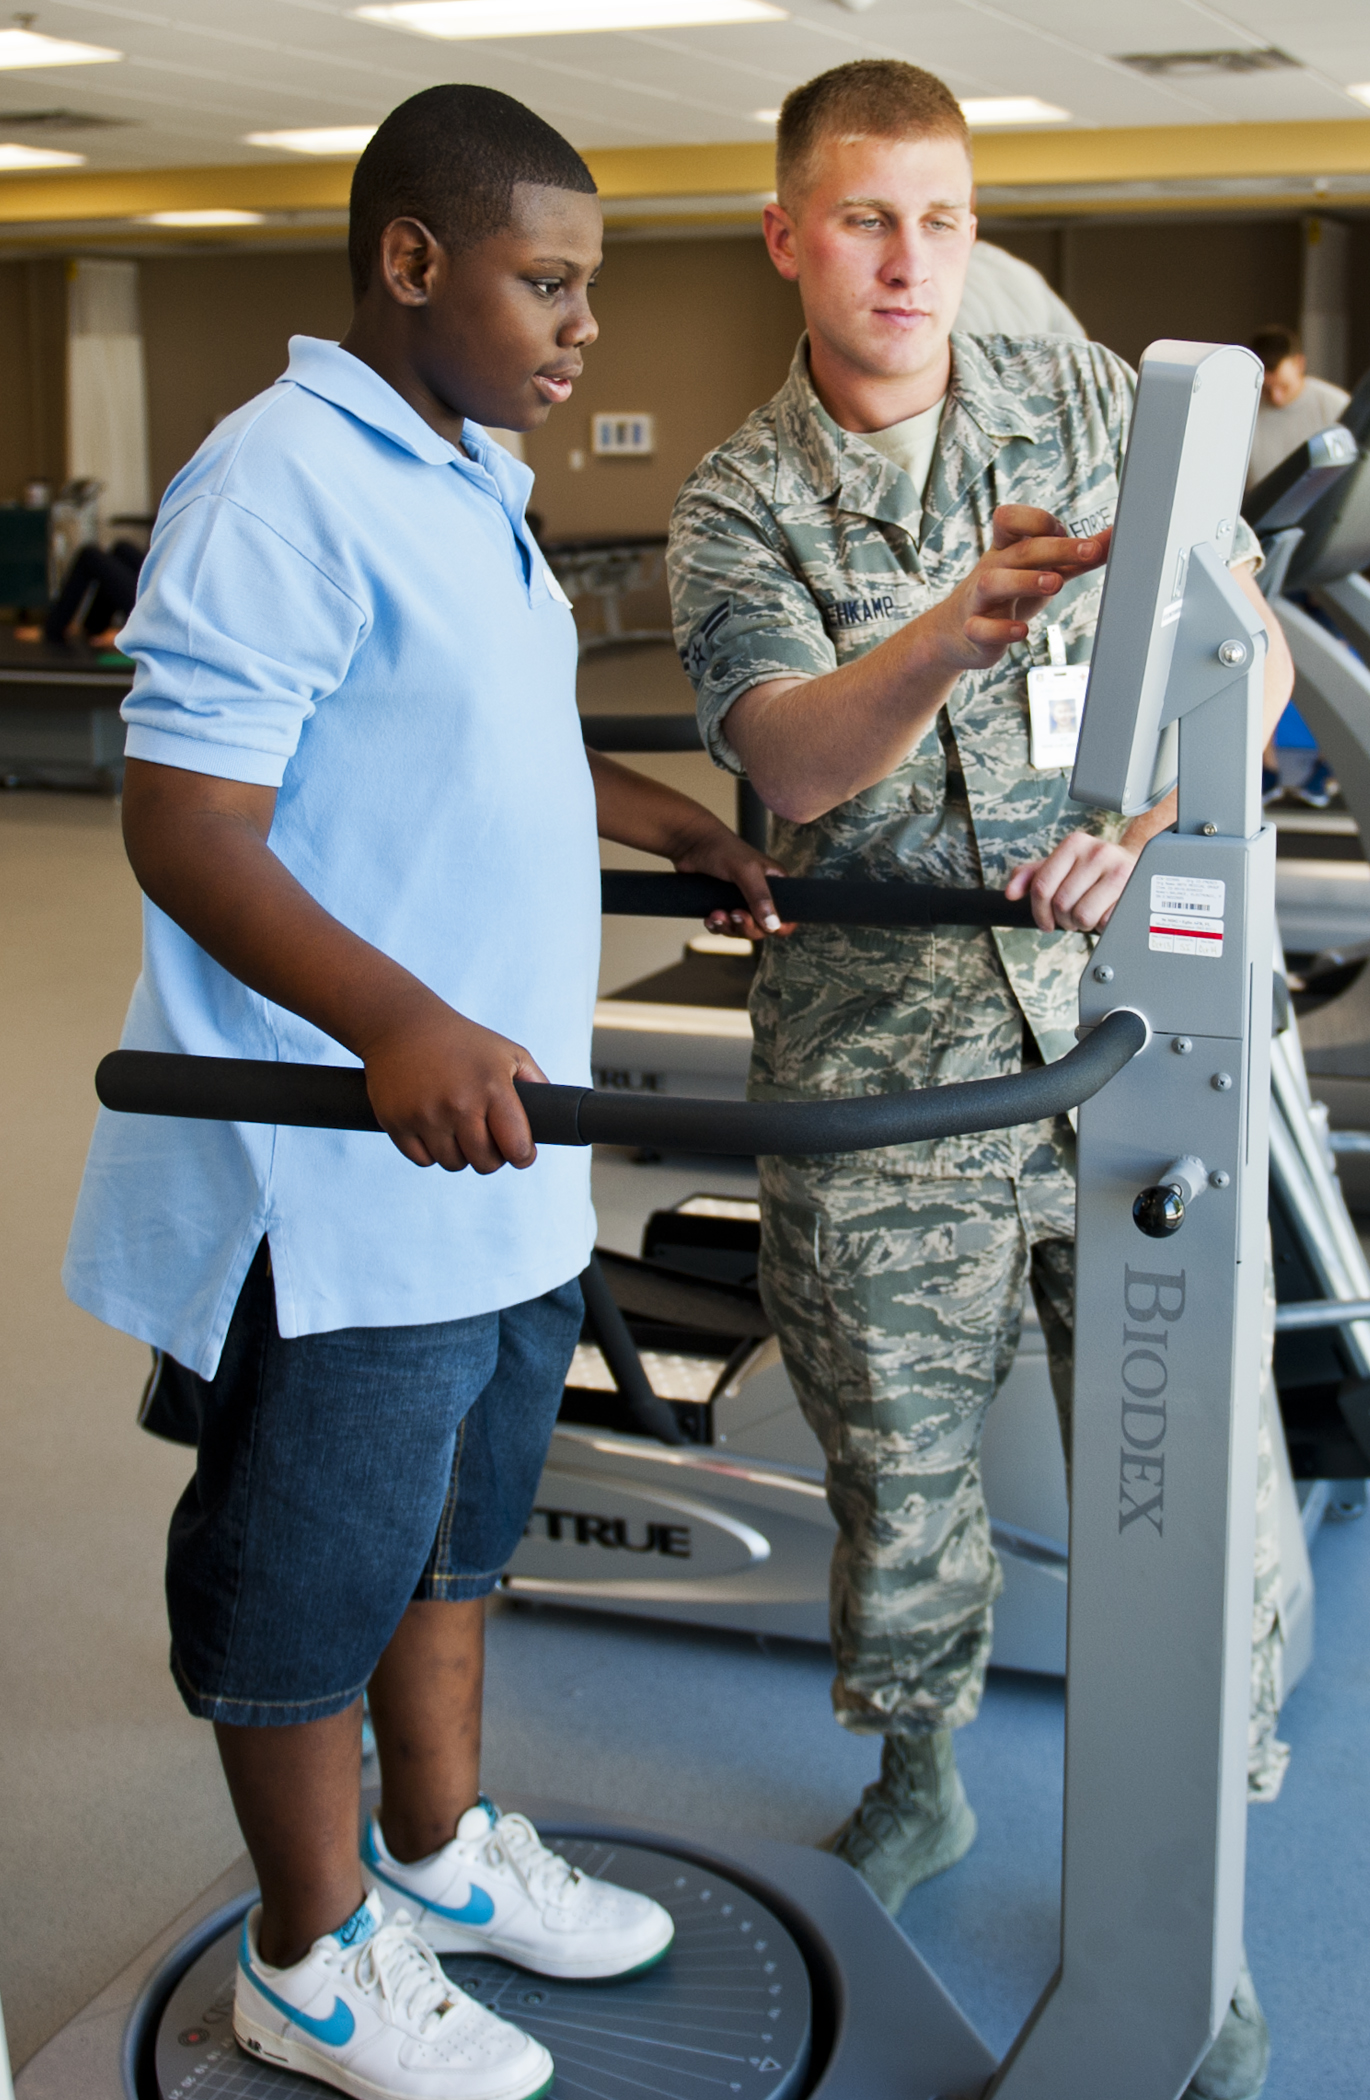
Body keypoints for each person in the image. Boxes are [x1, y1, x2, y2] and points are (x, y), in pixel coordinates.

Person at [63, 84, 787, 2100]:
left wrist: (675, 827)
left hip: (496, 1153)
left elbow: (497, 741)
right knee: (310, 1564)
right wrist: (393, 1020)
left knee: (461, 1533)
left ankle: (438, 1854)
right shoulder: (276, 477)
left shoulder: (458, 472)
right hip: (342, 1165)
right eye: (546, 282)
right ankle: (303, 1962)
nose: (581, 331)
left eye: (588, 290)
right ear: (410, 260)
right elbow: (187, 822)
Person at [667, 59, 1293, 2100]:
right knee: (900, 1482)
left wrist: (1172, 804)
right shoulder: (737, 501)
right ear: (786, 235)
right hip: (887, 1078)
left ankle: (1181, 1922)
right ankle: (920, 1775)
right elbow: (789, 762)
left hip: (1124, 1047)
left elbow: (1250, 652)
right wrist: (954, 626)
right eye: (864, 219)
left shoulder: (1081, 403)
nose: (909, 262)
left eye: (941, 218)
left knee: (1185, 1499)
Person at [1248, 323, 1351, 810]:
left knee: (1330, 667)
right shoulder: (1244, 407)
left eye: (1284, 385)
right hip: (1263, 550)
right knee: (1256, 664)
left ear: (1302, 368)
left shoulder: (1334, 407)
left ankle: (1331, 770)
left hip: (1319, 553)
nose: (1276, 394)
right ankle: (1263, 770)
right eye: (1267, 386)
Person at [14, 536, 143, 647]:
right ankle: (95, 626)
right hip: (155, 596)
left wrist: (129, 635)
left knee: (89, 555)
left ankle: (53, 629)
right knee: (121, 549)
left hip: (156, 613)